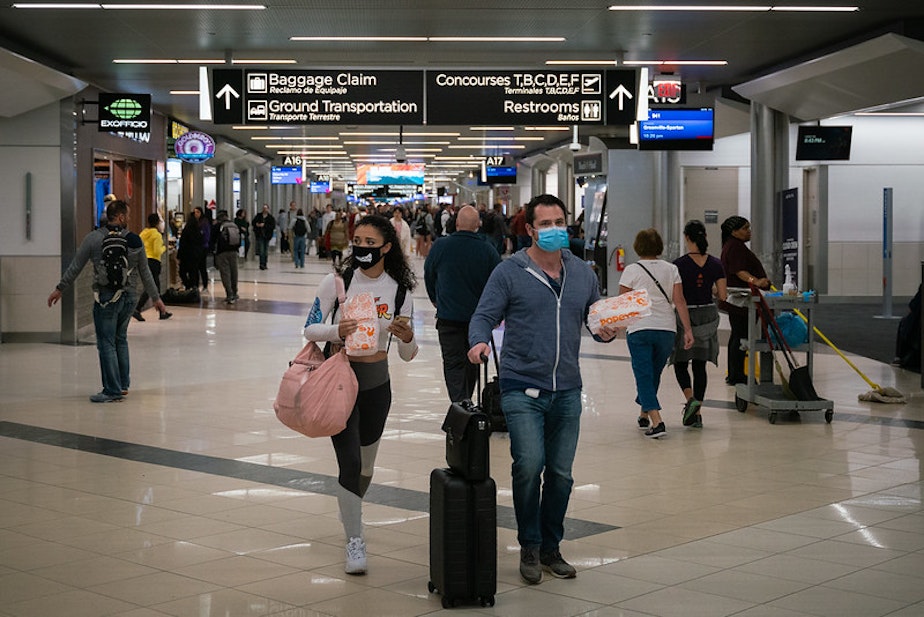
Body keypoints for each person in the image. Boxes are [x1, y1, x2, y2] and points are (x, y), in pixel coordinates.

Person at [467, 194, 616, 585]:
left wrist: (606, 331)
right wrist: (479, 341)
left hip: (567, 388)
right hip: (521, 386)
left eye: (559, 222)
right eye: (545, 224)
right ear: (530, 229)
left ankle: (552, 547)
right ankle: (530, 545)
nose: (554, 230)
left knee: (562, 474)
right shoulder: (510, 271)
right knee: (529, 465)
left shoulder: (583, 272)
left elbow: (596, 319)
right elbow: (483, 315)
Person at [303, 214, 418, 576]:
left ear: (386, 247)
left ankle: (350, 504)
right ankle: (355, 538)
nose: (363, 249)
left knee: (366, 466)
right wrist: (338, 329)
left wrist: (406, 335)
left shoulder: (400, 291)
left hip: (376, 384)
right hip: (339, 379)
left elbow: (408, 354)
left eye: (371, 243)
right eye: (358, 241)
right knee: (350, 464)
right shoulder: (336, 282)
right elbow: (309, 328)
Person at [47, 200, 167, 403]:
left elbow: (76, 266)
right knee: (120, 339)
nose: (128, 218)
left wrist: (60, 288)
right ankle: (122, 385)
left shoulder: (93, 239)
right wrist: (156, 298)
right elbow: (145, 272)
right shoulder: (135, 240)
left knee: (106, 342)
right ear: (119, 217)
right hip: (129, 297)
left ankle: (111, 390)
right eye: (127, 215)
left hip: (106, 298)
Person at [617, 228, 694, 439]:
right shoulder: (671, 269)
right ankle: (644, 413)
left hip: (640, 328)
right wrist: (687, 330)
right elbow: (679, 301)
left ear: (637, 246)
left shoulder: (632, 270)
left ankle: (657, 421)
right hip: (666, 330)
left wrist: (617, 327)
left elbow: (623, 302)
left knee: (643, 374)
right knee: (653, 373)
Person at [425, 205, 500, 403]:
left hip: (448, 318)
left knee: (452, 364)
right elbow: (498, 285)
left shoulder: (440, 246)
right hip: (478, 321)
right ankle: (466, 403)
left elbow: (429, 275)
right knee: (472, 362)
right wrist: (495, 314)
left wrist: (435, 299)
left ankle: (460, 405)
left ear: (456, 223)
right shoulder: (488, 250)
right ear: (478, 225)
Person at [671, 220, 726, 428]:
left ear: (687, 238)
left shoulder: (678, 264)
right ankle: (697, 413)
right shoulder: (716, 263)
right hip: (708, 315)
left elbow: (676, 296)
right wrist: (708, 288)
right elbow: (722, 295)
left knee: (681, 362)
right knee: (700, 365)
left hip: (686, 315)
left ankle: (690, 400)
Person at [720, 216, 770, 386]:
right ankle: (737, 374)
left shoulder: (733, 246)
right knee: (741, 338)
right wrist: (756, 281)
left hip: (739, 300)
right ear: (734, 231)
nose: (749, 231)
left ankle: (735, 373)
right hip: (741, 300)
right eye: (745, 228)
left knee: (737, 336)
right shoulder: (735, 247)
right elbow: (739, 271)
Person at [133, 212, 172, 321]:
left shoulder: (143, 233)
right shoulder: (157, 235)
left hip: (144, 261)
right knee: (152, 287)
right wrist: (165, 248)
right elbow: (157, 251)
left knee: (154, 286)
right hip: (154, 262)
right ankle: (138, 308)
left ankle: (162, 312)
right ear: (157, 223)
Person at [213, 210, 240, 304]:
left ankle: (229, 294)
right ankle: (235, 292)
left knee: (225, 273)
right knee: (234, 272)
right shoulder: (233, 225)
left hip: (222, 252)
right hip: (233, 251)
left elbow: (212, 239)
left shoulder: (218, 226)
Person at [177, 215, 203, 290]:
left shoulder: (186, 230)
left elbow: (182, 244)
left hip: (186, 255)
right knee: (194, 272)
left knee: (182, 272)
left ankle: (188, 285)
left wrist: (179, 256)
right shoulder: (198, 231)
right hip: (196, 255)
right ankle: (195, 287)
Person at [253, 204, 275, 270]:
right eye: (264, 208)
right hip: (260, 235)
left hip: (267, 235)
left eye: (266, 208)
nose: (265, 209)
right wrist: (257, 224)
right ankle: (261, 264)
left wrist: (264, 225)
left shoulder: (270, 218)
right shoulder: (258, 216)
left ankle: (265, 263)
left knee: (265, 250)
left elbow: (272, 226)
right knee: (261, 250)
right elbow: (253, 222)